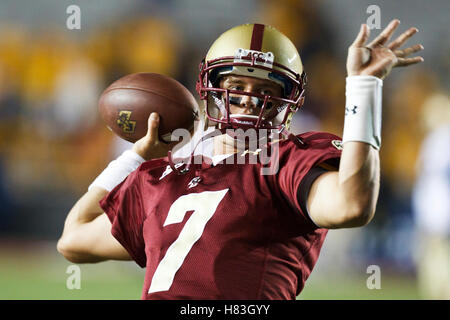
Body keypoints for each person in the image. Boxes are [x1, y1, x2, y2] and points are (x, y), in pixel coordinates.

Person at [57, 21, 423, 299]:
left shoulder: (285, 160)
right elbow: (73, 239)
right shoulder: (162, 177)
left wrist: (363, 87)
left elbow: (352, 205)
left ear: (288, 102)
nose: (249, 100)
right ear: (211, 90)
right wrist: (136, 158)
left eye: (265, 90)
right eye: (236, 87)